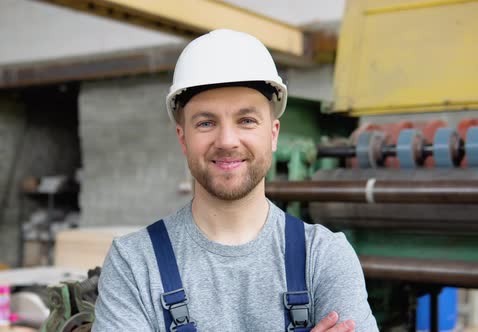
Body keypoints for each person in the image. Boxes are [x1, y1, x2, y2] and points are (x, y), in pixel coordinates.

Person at [92, 29, 378, 332]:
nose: (227, 140)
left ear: (273, 134)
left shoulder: (325, 256)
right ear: (183, 138)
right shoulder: (135, 263)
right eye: (206, 123)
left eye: (246, 121)